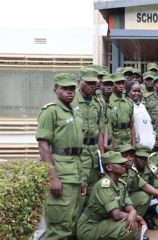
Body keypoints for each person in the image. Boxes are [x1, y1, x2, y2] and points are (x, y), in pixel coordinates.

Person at [36, 73, 83, 240]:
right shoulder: (50, 112)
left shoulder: (74, 113)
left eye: (72, 88)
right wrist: (53, 177)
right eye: (64, 88)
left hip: (74, 172)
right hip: (61, 174)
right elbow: (43, 146)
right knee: (59, 225)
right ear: (55, 90)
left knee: (70, 221)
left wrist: (81, 176)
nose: (69, 92)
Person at [77, 151, 147, 240]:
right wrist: (136, 217)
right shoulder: (104, 185)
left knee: (131, 221)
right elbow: (116, 215)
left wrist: (133, 213)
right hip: (89, 227)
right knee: (127, 225)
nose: (124, 165)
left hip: (103, 222)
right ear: (109, 167)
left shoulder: (121, 184)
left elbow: (129, 206)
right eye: (120, 164)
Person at [71, 67, 105, 198]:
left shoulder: (97, 103)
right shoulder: (72, 101)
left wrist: (102, 155)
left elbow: (100, 131)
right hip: (80, 152)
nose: (92, 86)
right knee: (79, 193)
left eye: (93, 83)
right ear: (79, 81)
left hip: (94, 153)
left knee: (93, 191)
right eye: (88, 82)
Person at [133, 144, 158, 230]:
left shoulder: (151, 167)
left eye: (145, 158)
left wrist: (154, 195)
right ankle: (137, 219)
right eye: (140, 158)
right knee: (144, 197)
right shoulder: (129, 167)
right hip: (132, 198)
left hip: (148, 195)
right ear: (134, 157)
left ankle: (148, 215)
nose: (142, 160)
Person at [108, 73, 136, 148]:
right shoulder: (107, 101)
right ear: (112, 84)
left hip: (127, 143)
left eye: (122, 83)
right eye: (118, 83)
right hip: (113, 143)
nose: (121, 86)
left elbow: (132, 126)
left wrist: (133, 146)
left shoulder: (129, 102)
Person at [126, 81, 156, 149]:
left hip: (150, 145)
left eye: (139, 91)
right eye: (134, 91)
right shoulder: (127, 105)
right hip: (137, 146)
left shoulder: (142, 106)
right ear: (128, 92)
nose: (137, 93)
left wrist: (153, 137)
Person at [99, 75, 115, 152]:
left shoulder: (111, 103)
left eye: (111, 85)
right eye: (106, 85)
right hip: (100, 144)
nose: (109, 87)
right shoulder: (98, 102)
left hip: (110, 143)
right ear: (101, 86)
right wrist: (104, 145)